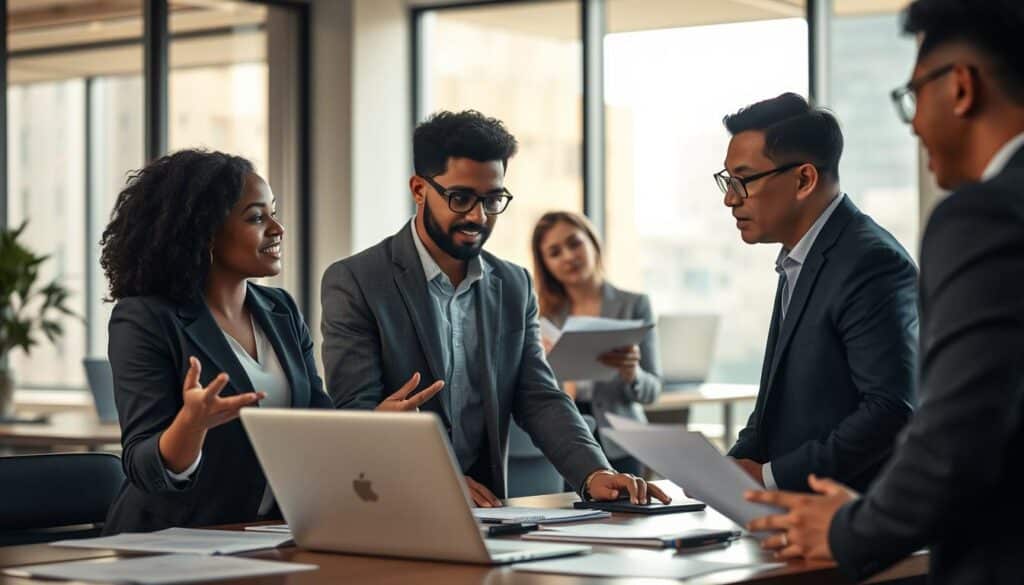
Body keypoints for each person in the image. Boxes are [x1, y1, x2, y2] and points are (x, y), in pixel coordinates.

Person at [746, 2, 1024, 583]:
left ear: (962, 87)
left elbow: (952, 434)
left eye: (913, 95)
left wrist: (847, 530)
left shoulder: (984, 217)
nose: (914, 123)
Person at [321, 110, 669, 508]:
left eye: (492, 199)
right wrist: (436, 478)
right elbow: (356, 414)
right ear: (419, 190)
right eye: (461, 198)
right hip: (391, 504)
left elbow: (538, 396)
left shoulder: (513, 285)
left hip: (486, 511)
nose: (478, 216)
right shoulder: (356, 281)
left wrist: (594, 472)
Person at [99, 149, 333, 534]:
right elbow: (143, 465)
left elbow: (316, 419)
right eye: (257, 217)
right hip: (170, 542)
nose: (277, 228)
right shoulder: (144, 318)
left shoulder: (281, 309)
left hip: (265, 534)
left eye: (273, 212)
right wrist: (191, 425)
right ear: (205, 232)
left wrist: (377, 428)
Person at [718, 93, 919, 493]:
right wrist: (722, 471)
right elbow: (774, 408)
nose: (730, 198)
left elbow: (890, 409)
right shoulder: (799, 257)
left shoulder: (869, 261)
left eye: (743, 180)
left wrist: (769, 477)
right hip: (793, 517)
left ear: (804, 180)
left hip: (850, 521)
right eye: (726, 181)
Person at [531, 210, 661, 477]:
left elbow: (652, 392)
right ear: (546, 265)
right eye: (554, 252)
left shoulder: (633, 305)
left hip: (622, 441)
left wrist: (632, 374)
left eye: (574, 243)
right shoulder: (543, 317)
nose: (568, 256)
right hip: (566, 438)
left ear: (592, 242)